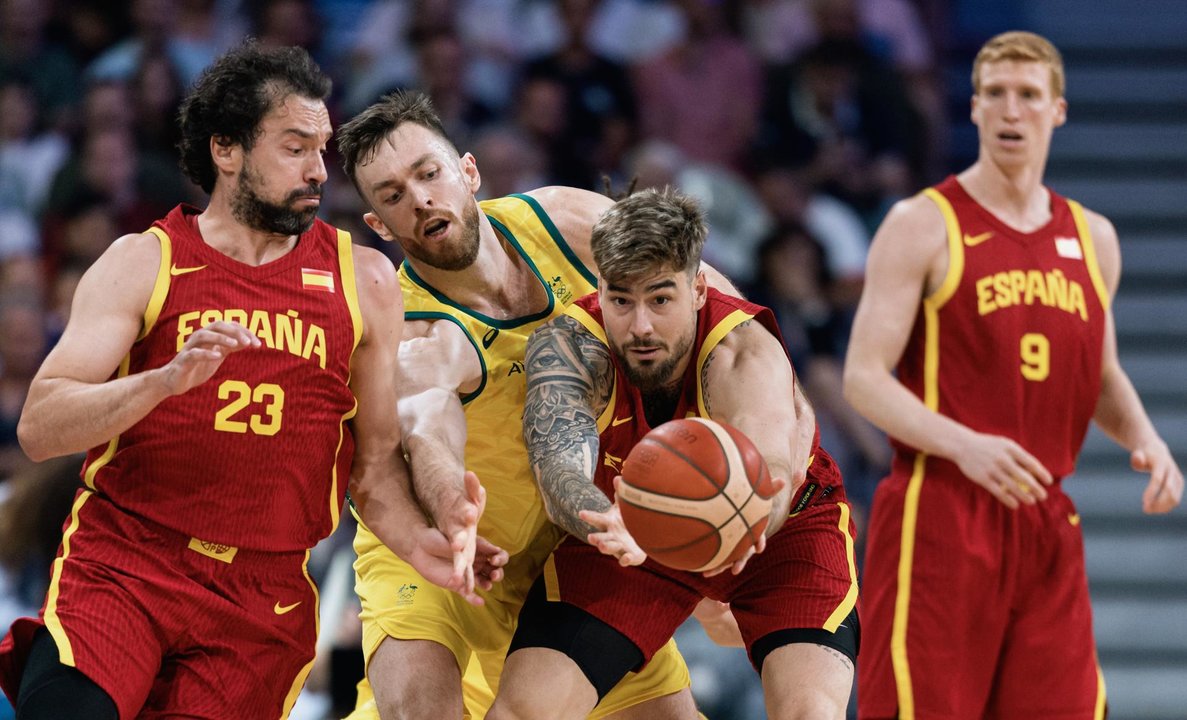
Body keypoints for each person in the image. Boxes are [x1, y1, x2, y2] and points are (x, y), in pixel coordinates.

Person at [0, 42, 468, 720]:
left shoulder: (363, 280)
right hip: (128, 564)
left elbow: (371, 469)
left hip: (261, 594)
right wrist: (159, 383)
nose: (317, 171)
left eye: (321, 148)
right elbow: (41, 427)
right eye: (294, 147)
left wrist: (424, 542)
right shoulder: (143, 261)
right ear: (227, 149)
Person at [843, 31, 1184, 720]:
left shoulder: (1094, 238)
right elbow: (862, 378)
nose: (1010, 110)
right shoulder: (921, 224)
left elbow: (1101, 370)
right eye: (994, 94)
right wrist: (964, 444)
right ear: (971, 110)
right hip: (939, 511)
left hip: (1046, 520)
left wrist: (1147, 438)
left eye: (1027, 96)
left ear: (1056, 111)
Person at [334, 91, 697, 719]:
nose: (419, 200)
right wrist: (452, 508)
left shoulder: (569, 222)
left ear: (468, 173)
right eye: (391, 196)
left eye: (429, 174)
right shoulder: (412, 333)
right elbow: (428, 434)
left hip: (569, 557)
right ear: (380, 227)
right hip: (444, 557)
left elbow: (713, 309)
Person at [486, 187, 859, 720]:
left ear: (699, 290)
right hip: (635, 525)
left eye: (660, 299)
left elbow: (773, 475)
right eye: (621, 300)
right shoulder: (568, 346)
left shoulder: (743, 352)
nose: (640, 326)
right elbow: (557, 469)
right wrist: (603, 519)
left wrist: (734, 536)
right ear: (599, 288)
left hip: (780, 530)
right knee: (522, 712)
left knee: (809, 714)